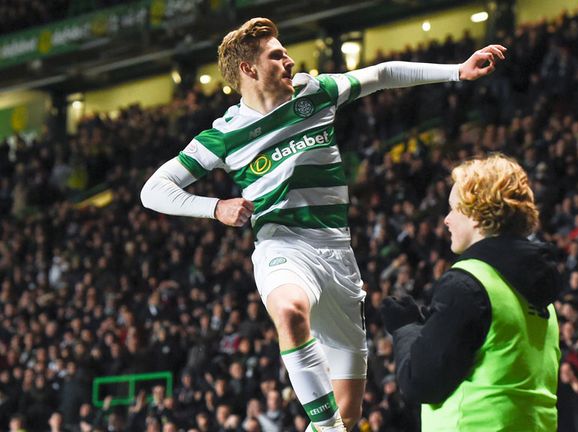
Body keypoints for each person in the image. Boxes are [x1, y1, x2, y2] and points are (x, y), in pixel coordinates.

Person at [140, 17, 505, 432]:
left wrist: (457, 71)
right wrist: (215, 207)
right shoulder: (223, 135)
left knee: (348, 416)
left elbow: (381, 74)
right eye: (277, 56)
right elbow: (153, 189)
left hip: (338, 256)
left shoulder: (314, 93)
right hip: (283, 247)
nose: (290, 61)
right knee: (290, 312)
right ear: (249, 70)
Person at [381, 154, 561, 431]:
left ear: (477, 215)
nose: (447, 220)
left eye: (454, 209)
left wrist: (405, 327)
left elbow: (420, 382)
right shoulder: (542, 296)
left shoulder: (469, 284)